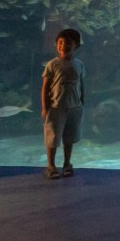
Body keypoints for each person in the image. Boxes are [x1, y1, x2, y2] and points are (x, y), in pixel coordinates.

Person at [41, 28, 85, 179]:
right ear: (56, 45)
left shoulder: (79, 64)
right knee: (52, 137)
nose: (63, 46)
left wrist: (81, 102)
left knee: (69, 137)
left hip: (74, 107)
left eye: (68, 43)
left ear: (76, 45)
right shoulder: (52, 64)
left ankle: (67, 163)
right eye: (60, 43)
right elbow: (45, 87)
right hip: (55, 107)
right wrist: (45, 107)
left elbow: (81, 84)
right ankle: (51, 165)